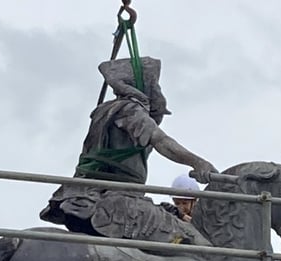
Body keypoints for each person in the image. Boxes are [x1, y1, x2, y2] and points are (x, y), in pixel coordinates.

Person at [40, 57, 215, 246]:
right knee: (195, 242)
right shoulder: (131, 110)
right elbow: (161, 141)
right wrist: (198, 163)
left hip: (77, 198)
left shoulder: (105, 109)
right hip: (113, 204)